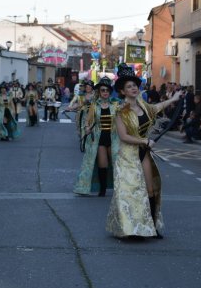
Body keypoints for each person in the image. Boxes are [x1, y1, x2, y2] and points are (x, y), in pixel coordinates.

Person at [106, 64, 184, 239]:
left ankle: (152, 227)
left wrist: (174, 98)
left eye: (134, 85)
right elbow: (123, 136)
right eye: (129, 87)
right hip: (127, 156)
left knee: (150, 190)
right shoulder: (120, 111)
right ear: (122, 91)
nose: (133, 88)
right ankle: (132, 229)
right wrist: (144, 140)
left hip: (143, 153)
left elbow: (157, 108)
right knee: (131, 192)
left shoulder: (143, 105)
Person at [74, 77, 120, 197]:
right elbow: (87, 122)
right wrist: (87, 129)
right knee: (102, 165)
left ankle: (120, 188)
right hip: (99, 139)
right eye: (103, 90)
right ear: (99, 92)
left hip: (114, 139)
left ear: (110, 92)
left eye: (107, 90)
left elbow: (124, 120)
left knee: (117, 164)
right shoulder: (94, 106)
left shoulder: (116, 105)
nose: (105, 92)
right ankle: (103, 189)